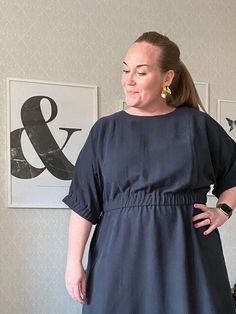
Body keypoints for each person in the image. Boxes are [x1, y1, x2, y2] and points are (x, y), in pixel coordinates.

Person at [63, 31, 236, 314]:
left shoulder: (197, 126)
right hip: (119, 258)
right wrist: (73, 263)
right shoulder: (105, 131)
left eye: (140, 72)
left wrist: (223, 210)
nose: (128, 80)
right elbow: (83, 203)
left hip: (188, 256)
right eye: (125, 70)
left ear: (167, 78)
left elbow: (233, 171)